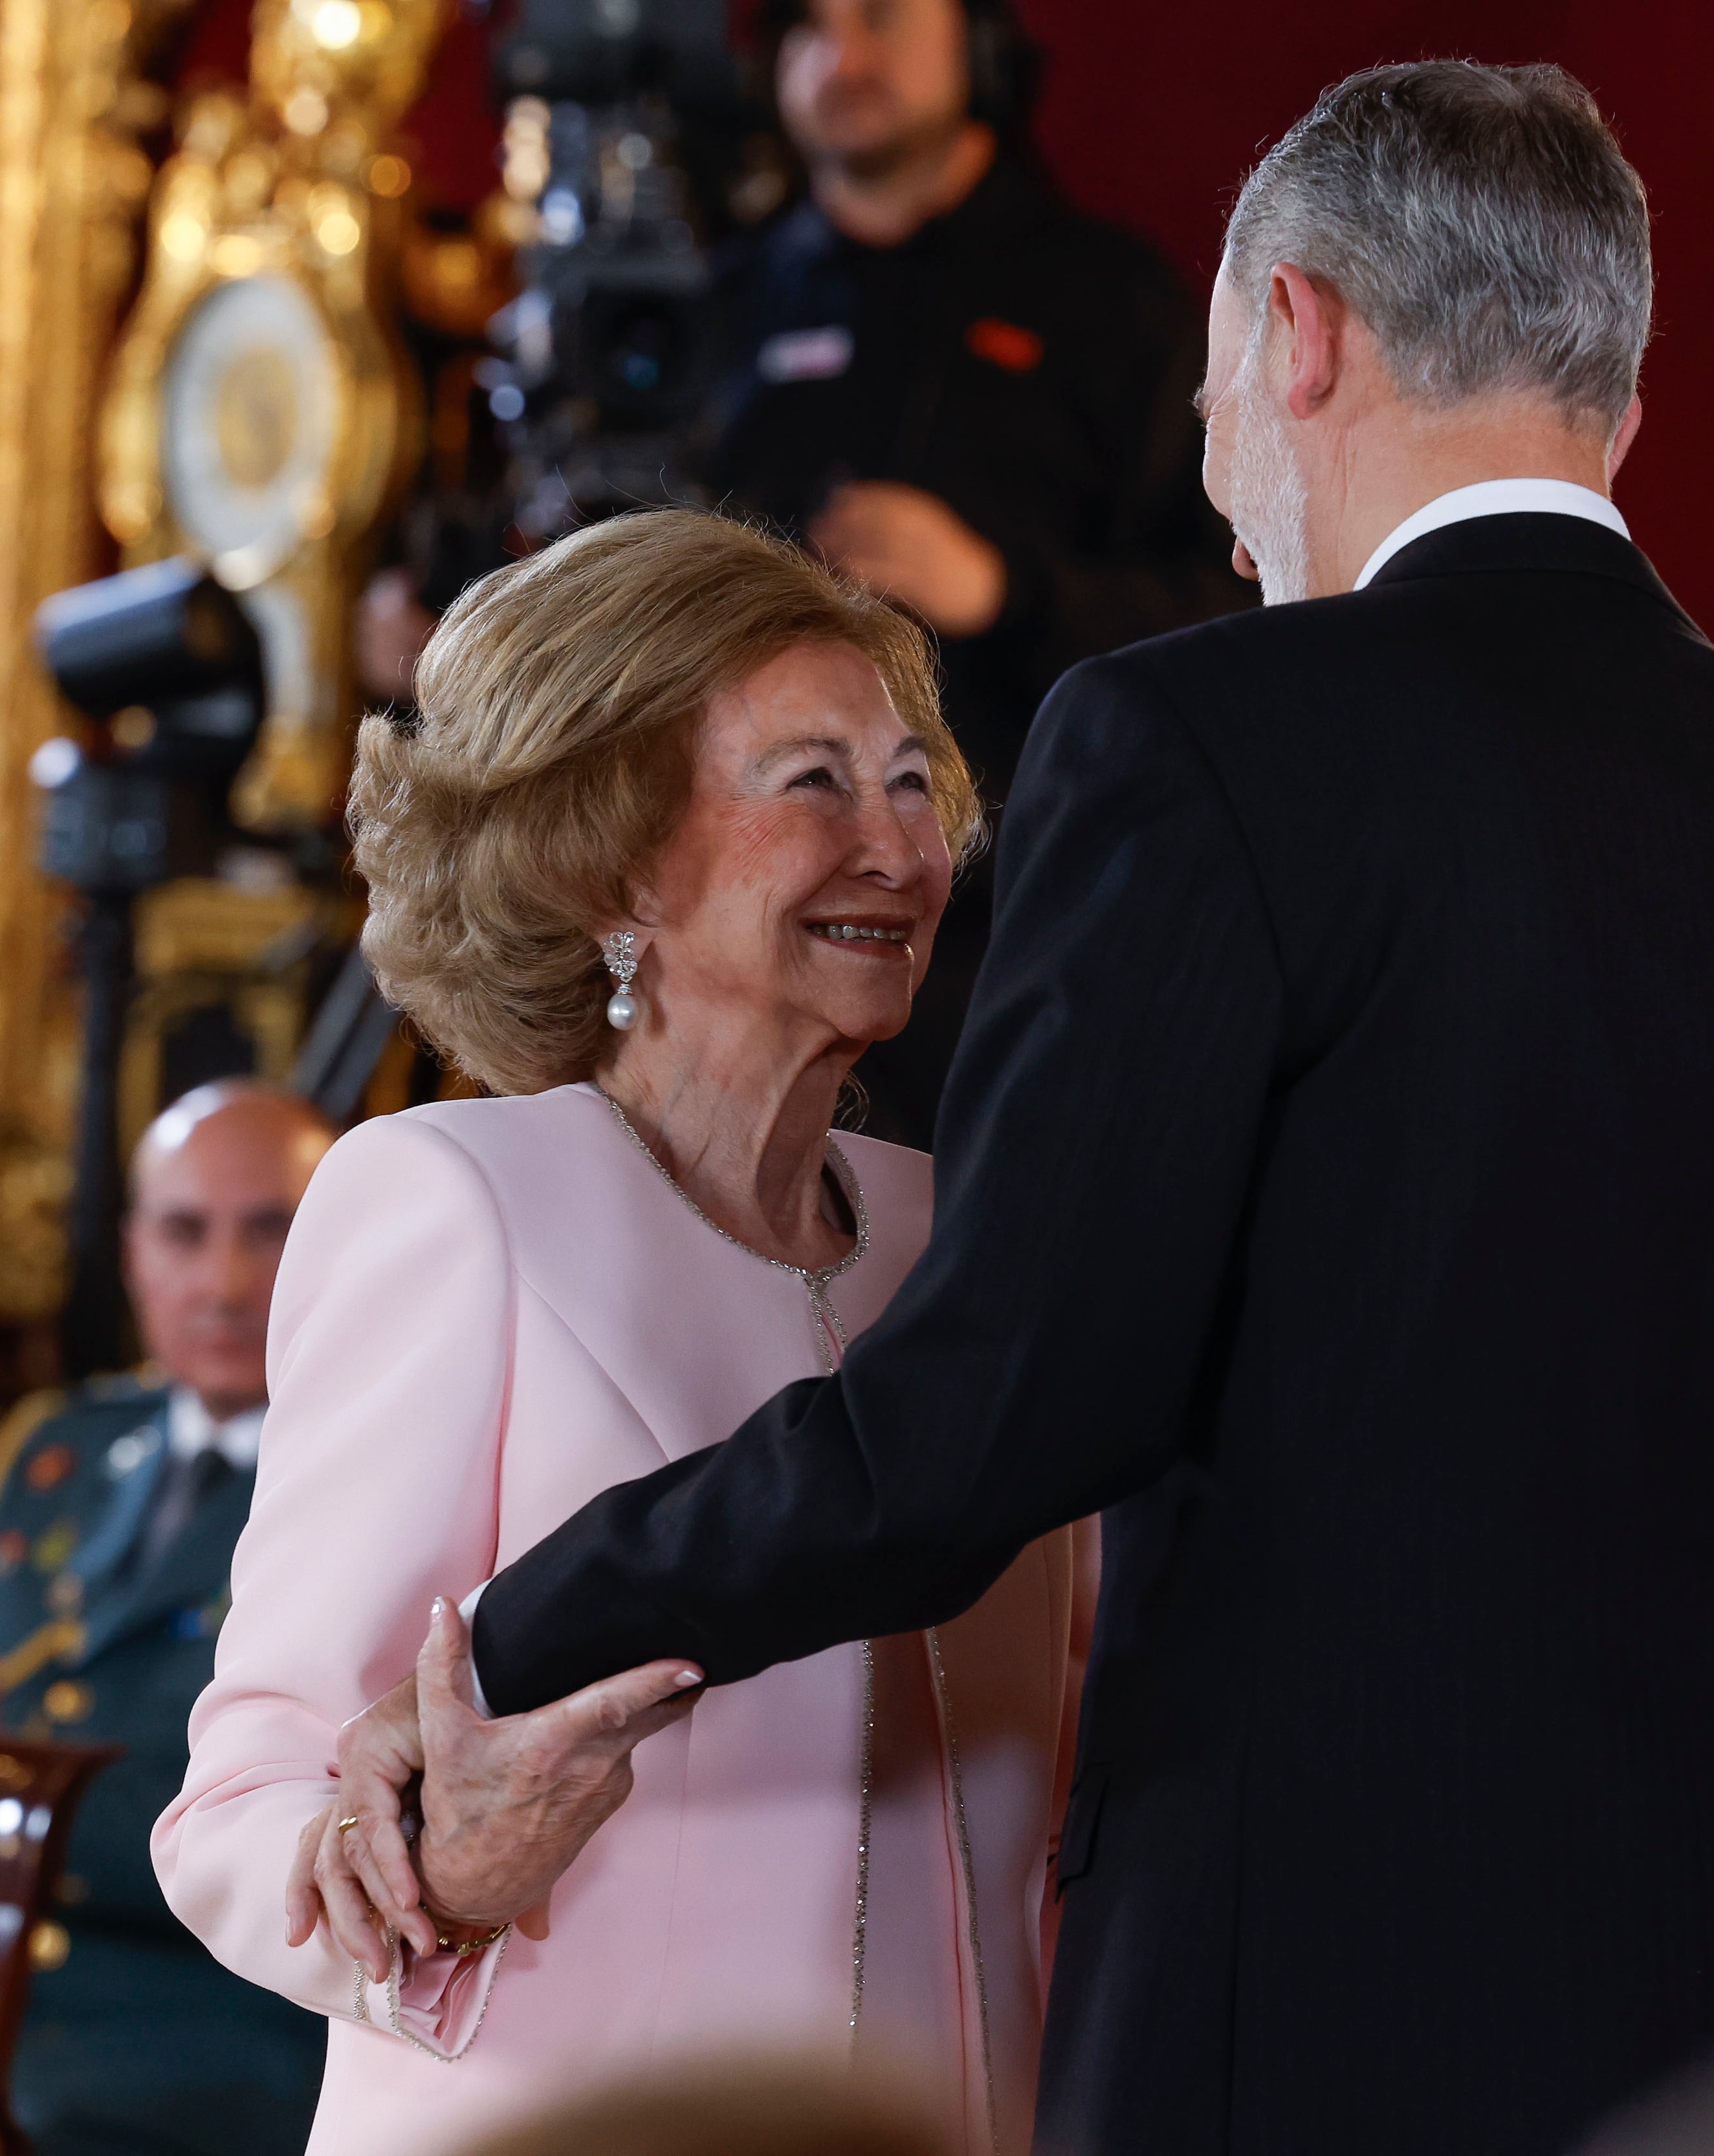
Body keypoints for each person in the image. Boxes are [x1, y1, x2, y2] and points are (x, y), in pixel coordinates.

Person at [439, 61, 1714, 2153]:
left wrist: (528, 1616)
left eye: (1210, 395)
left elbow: (982, 1420)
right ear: (1615, 415)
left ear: (1298, 334)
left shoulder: (1197, 741)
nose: (1216, 488)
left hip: (1310, 2029)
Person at [153, 513, 1092, 2156]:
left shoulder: (969, 1241)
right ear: (609, 859)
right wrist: (439, 1873)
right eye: (811, 782)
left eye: (908, 784)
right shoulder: (456, 1202)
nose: (899, 848)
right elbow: (241, 1806)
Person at [699, 0, 1245, 1146]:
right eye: (808, 28)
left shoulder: (1113, 304)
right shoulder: (714, 306)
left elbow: (1244, 610)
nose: (844, 58)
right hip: (742, 949)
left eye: (884, 19)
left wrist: (1008, 589)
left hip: (1035, 951)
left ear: (983, 47)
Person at [0, 1080, 336, 2156]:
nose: (223, 1281)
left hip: (209, 2060)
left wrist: (1, 1756)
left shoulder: (374, 1474)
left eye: (269, 1230)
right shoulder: (63, 1450)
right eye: (185, 1231)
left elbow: (306, 1843)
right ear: (134, 1253)